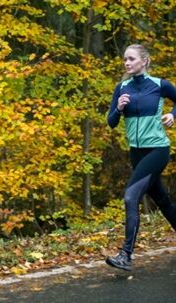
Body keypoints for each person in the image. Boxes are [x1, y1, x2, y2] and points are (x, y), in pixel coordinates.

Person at [106, 44, 176, 271]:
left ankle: (125, 254)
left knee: (130, 196)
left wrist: (172, 114)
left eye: (131, 59)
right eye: (125, 59)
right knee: (162, 199)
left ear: (144, 61)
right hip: (136, 152)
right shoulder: (122, 87)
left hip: (157, 149)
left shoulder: (159, 85)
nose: (126, 63)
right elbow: (111, 122)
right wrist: (118, 108)